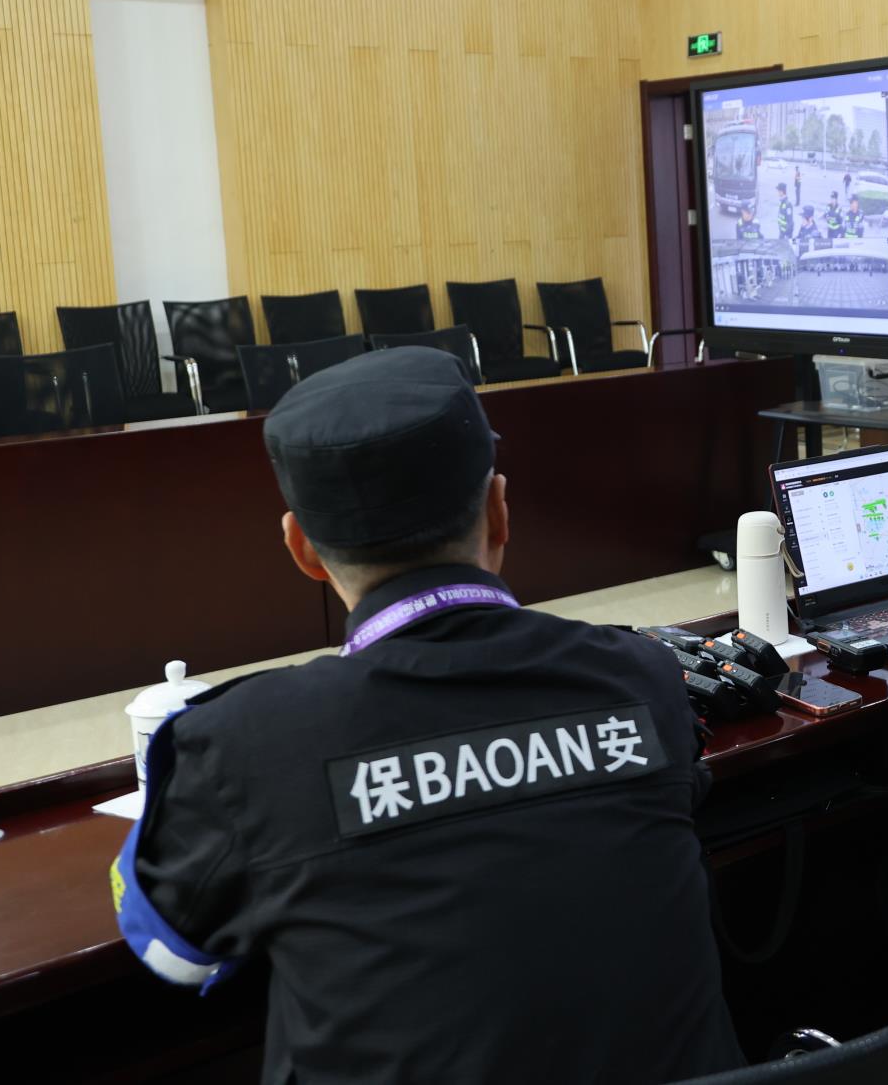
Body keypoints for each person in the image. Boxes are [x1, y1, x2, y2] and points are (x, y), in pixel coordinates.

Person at [109, 348, 743, 1084]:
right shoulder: (641, 674)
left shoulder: (243, 743)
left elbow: (174, 955)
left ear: (302, 550)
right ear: (499, 510)